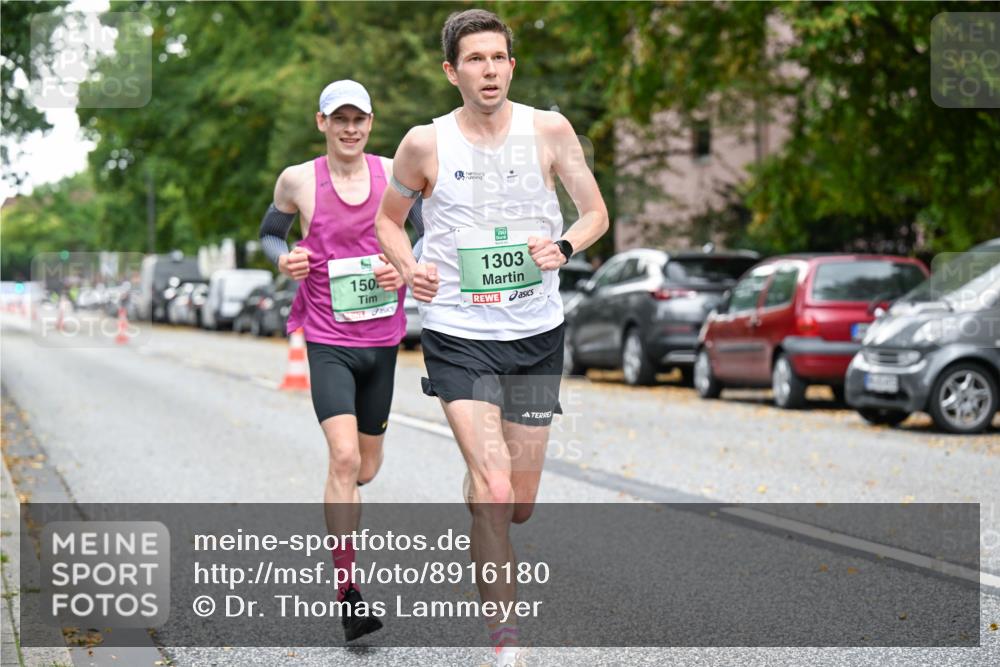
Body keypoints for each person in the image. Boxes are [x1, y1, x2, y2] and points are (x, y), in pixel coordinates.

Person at [374, 9, 608, 666]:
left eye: (498, 57)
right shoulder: (425, 144)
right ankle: (506, 644)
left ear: (511, 64)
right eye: (475, 59)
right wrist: (407, 266)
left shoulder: (549, 129)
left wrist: (563, 243)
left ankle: (483, 488)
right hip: (457, 332)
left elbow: (595, 213)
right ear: (452, 71)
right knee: (497, 489)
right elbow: (388, 222)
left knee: (520, 501)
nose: (489, 70)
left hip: (536, 333)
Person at [259, 79, 419, 642]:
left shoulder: (393, 173)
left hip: (383, 340)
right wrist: (285, 262)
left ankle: (345, 507)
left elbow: (419, 234)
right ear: (322, 122)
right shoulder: (297, 180)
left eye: (360, 119)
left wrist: (400, 263)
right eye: (339, 119)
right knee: (345, 459)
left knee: (367, 468)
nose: (350, 128)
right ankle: (348, 591)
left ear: (370, 123)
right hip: (327, 339)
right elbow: (271, 235)